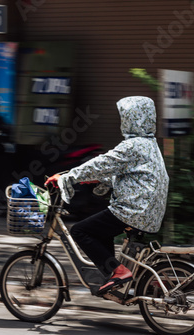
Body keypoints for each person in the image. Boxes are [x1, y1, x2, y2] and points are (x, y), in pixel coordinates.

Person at [45, 96, 169, 296]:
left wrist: (68, 176)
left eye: (125, 117)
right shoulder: (150, 144)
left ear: (132, 119)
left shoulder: (133, 145)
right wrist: (96, 180)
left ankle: (118, 272)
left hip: (133, 210)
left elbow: (101, 163)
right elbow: (134, 176)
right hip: (148, 210)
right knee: (101, 230)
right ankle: (113, 276)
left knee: (80, 231)